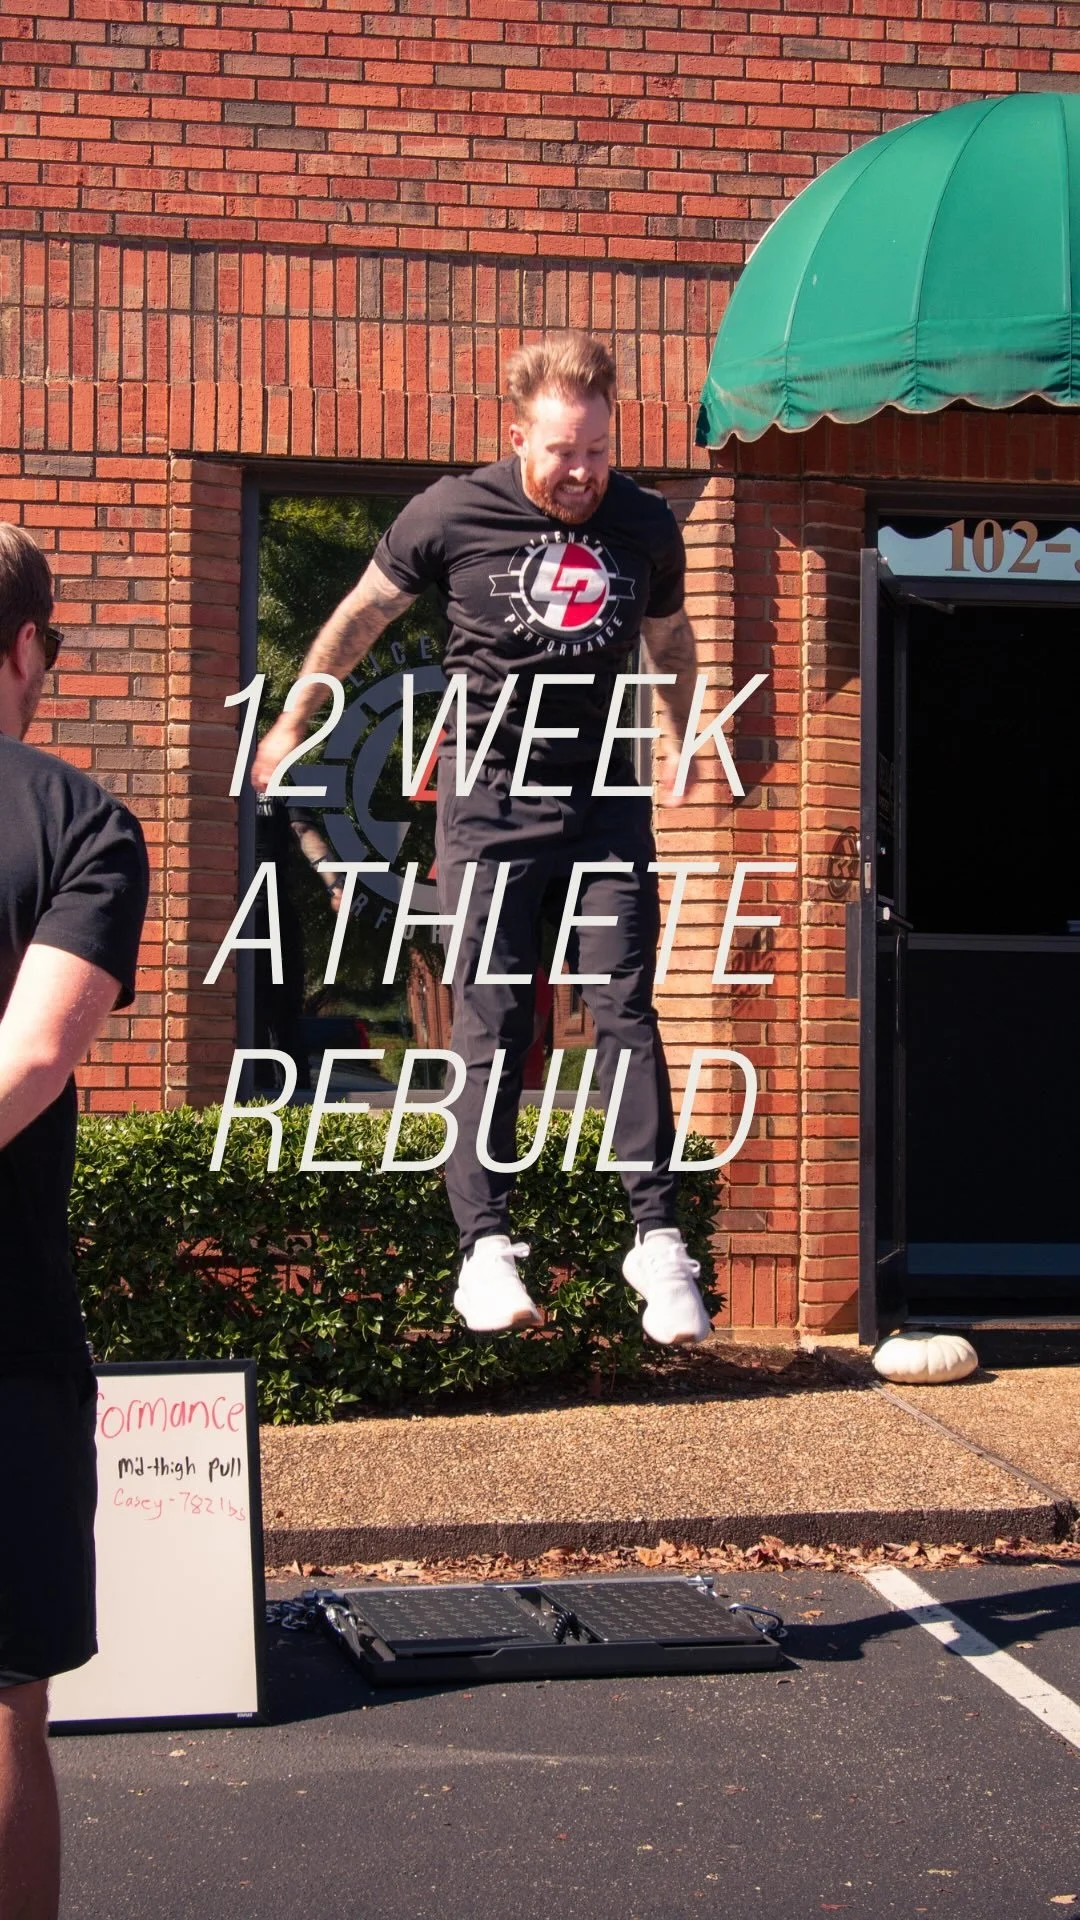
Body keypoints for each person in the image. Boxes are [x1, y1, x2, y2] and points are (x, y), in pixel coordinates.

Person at [252, 331, 713, 1347]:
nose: (582, 472)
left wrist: (684, 735)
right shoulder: (452, 511)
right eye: (562, 453)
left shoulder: (643, 524)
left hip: (603, 799)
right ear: (518, 438)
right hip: (491, 798)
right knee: (493, 1015)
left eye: (597, 451)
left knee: (624, 1005)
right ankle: (486, 1248)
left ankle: (657, 1239)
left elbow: (670, 639)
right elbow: (362, 618)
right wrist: (291, 722)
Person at [0, 525, 149, 1919]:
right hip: (4, 1336)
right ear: (28, 648)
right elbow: (35, 1057)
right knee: (2, 1702)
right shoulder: (81, 823)